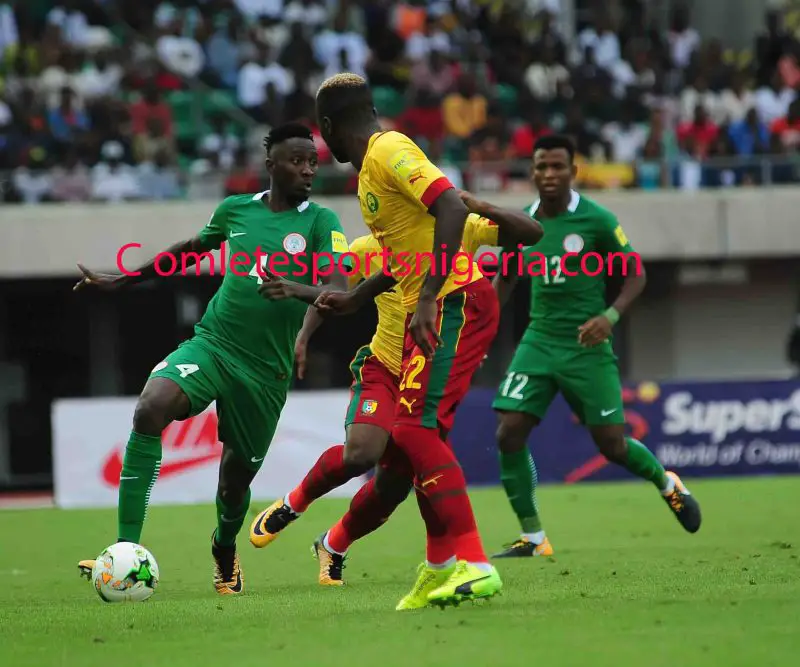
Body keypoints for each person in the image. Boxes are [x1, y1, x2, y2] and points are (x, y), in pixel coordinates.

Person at [74, 123, 351, 595]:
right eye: (297, 161)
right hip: (214, 344)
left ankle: (224, 547)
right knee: (150, 408)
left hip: (265, 372)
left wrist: (295, 289)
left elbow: (339, 290)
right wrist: (124, 280)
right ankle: (124, 552)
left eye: (312, 162)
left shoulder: (321, 222)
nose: (308, 170)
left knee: (233, 483)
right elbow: (189, 251)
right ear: (271, 165)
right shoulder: (235, 210)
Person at [305, 72, 533, 609]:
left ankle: (474, 564)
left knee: (411, 429)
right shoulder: (371, 171)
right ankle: (438, 567)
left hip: (453, 300)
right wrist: (360, 298)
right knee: (411, 446)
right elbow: (404, 254)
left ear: (329, 127)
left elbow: (450, 205)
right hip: (433, 308)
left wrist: (429, 295)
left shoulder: (389, 150)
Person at [251, 196, 543, 590]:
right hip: (384, 368)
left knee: (393, 486)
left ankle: (333, 545)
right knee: (361, 453)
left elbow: (524, 233)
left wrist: (478, 204)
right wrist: (303, 337)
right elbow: (333, 292)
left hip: (430, 371)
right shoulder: (365, 250)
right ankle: (294, 502)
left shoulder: (460, 228)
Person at [491, 134, 701, 559]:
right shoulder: (522, 224)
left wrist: (611, 316)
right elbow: (507, 277)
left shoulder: (597, 220)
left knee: (612, 445)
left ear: (574, 171)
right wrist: (482, 327)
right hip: (539, 339)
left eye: (557, 166)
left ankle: (667, 484)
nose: (549, 174)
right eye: (542, 167)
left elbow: (636, 274)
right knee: (509, 433)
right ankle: (534, 537)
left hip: (586, 345)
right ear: (532, 172)